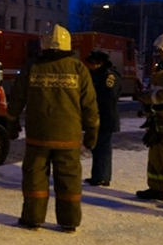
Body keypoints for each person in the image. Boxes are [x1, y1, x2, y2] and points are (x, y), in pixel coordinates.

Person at [7, 24, 99, 233]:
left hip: (38, 136)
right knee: (69, 179)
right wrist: (92, 132)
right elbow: (89, 105)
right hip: (68, 137)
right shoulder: (78, 69)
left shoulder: (32, 66)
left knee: (34, 177)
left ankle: (32, 219)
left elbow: (16, 99)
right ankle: (69, 221)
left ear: (44, 44)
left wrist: (12, 123)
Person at [134, 32, 163, 209]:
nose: (158, 54)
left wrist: (147, 97)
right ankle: (157, 189)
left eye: (160, 50)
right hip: (159, 121)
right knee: (156, 158)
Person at [84, 50, 121, 186]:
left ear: (100, 63)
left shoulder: (109, 76)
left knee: (103, 148)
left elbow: (108, 96)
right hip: (99, 116)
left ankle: (103, 177)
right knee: (97, 147)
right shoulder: (97, 74)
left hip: (106, 117)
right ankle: (97, 175)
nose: (91, 66)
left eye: (93, 64)